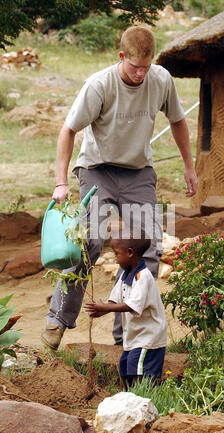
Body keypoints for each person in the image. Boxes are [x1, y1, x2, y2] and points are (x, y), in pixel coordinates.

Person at [41, 25, 198, 351]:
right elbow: (68, 131)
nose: (140, 74)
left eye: (146, 66)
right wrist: (60, 182)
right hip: (97, 170)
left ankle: (128, 337)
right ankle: (58, 320)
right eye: (134, 67)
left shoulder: (161, 79)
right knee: (89, 243)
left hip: (138, 172)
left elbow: (178, 121)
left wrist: (189, 166)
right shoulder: (99, 85)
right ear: (121, 57)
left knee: (146, 250)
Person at [85, 232, 167, 388]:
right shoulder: (125, 275)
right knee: (125, 367)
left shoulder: (143, 277)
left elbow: (131, 305)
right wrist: (102, 311)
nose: (115, 258)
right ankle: (129, 396)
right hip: (134, 338)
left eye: (117, 254)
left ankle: (144, 396)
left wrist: (105, 307)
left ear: (129, 253)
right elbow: (114, 300)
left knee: (139, 371)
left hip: (148, 339)